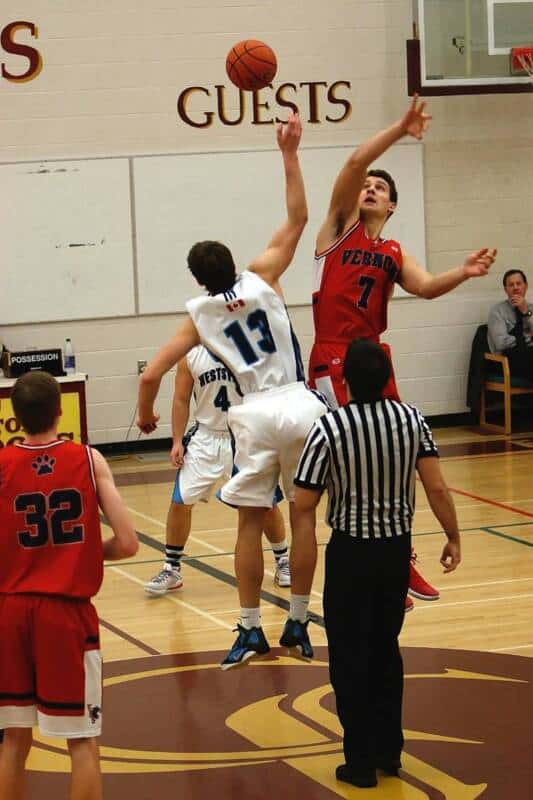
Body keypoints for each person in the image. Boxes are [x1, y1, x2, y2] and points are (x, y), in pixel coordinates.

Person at [137, 111, 328, 669]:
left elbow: (151, 374)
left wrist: (147, 415)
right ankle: (298, 619)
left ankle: (249, 629)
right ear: (234, 260)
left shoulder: (196, 314)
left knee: (249, 521)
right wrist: (289, 155)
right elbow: (299, 217)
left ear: (199, 279)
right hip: (299, 400)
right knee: (303, 515)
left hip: (253, 414)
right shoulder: (264, 274)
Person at [308, 95, 495, 606]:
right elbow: (352, 163)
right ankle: (350, 564)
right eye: (368, 185)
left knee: (399, 453)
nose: (370, 188)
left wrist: (464, 272)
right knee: (350, 459)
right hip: (333, 357)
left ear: (392, 207)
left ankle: (401, 562)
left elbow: (428, 286)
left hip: (373, 356)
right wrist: (401, 127)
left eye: (380, 188)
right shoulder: (339, 229)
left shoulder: (393, 252)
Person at [294, 339, 461, 789]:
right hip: (394, 554)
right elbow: (437, 487)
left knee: (349, 656)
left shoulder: (330, 427)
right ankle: (390, 751)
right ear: (389, 377)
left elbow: (303, 501)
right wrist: (453, 535)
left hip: (350, 553)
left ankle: (361, 761)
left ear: (344, 381)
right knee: (386, 649)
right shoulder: (413, 420)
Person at [0, 371, 138, 800]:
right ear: (62, 410)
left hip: (10, 614)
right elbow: (129, 542)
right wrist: (83, 556)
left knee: (13, 742)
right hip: (65, 615)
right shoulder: (88, 459)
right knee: (81, 742)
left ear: (14, 417)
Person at [144, 345, 291, 595]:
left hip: (245, 434)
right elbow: (180, 399)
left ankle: (283, 561)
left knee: (265, 504)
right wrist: (177, 441)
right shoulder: (190, 354)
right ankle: (171, 568)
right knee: (180, 501)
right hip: (206, 436)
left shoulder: (248, 345)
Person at [488, 269, 533, 380]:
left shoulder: (531, 308)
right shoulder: (497, 311)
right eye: (511, 285)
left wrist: (526, 312)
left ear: (526, 286)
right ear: (506, 289)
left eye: (519, 283)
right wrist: (528, 338)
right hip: (507, 360)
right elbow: (501, 343)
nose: (516, 287)